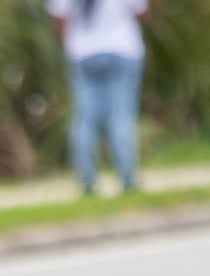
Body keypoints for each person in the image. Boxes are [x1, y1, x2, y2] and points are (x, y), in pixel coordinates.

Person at [49, 0, 150, 195]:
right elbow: (141, 12)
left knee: (84, 120)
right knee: (121, 117)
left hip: (82, 53)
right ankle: (127, 178)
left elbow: (59, 18)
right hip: (122, 49)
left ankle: (87, 182)